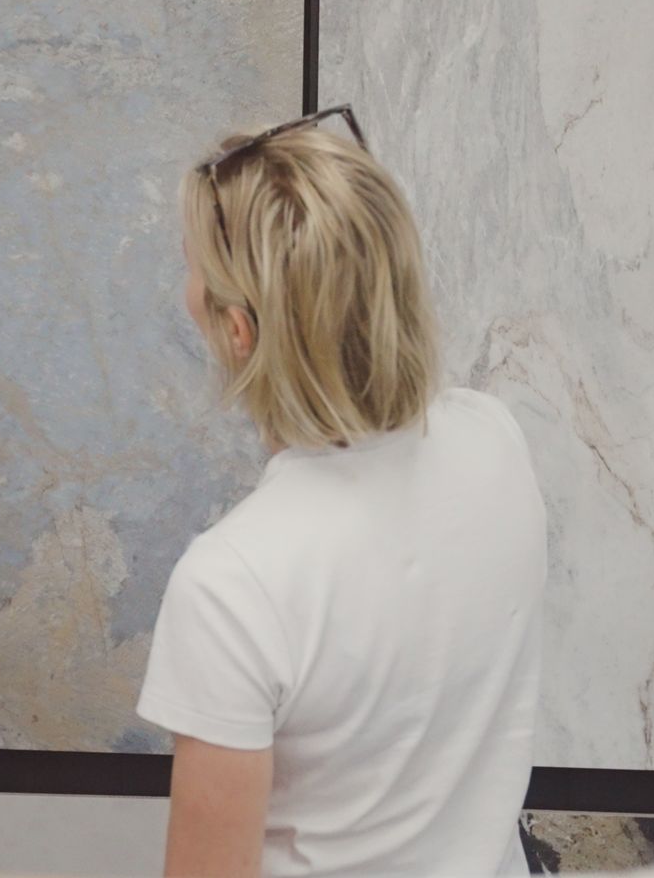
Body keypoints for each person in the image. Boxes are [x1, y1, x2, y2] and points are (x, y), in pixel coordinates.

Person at [138, 107, 547, 876]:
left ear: (239, 333)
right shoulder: (494, 440)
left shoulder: (233, 584)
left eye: (191, 268)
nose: (183, 291)